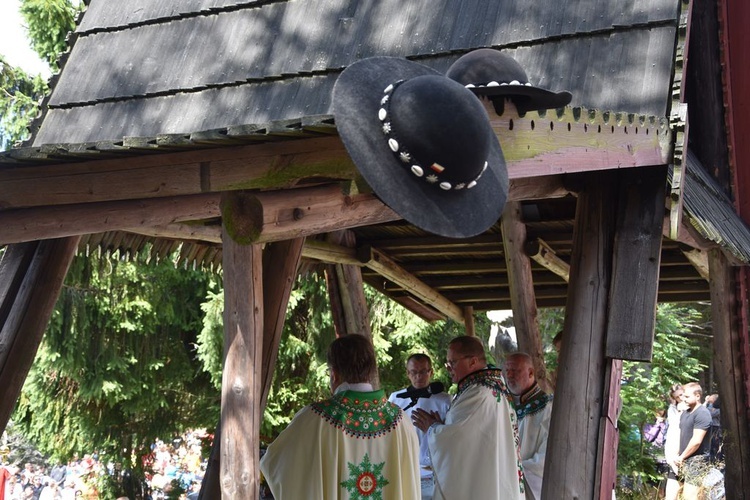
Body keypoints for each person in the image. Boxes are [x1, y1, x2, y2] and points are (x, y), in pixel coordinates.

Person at [260, 334, 421, 499]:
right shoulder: (401, 421)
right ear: (371, 371)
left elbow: (275, 463)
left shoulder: (314, 419)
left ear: (334, 373)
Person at [412, 335, 524, 499]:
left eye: (453, 363)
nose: (449, 368)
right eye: (447, 363)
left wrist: (432, 428)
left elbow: (458, 439)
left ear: (472, 361)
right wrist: (443, 425)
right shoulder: (488, 385)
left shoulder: (478, 392)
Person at [388, 353, 452, 500]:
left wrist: (437, 427)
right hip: (406, 467)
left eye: (423, 371)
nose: (419, 376)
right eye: (414, 372)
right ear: (407, 373)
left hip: (434, 471)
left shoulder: (444, 400)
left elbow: (452, 435)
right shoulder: (396, 399)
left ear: (431, 372)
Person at [503, 352, 553, 500]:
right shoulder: (504, 406)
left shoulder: (548, 409)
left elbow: (545, 461)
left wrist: (509, 471)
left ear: (531, 372)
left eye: (515, 370)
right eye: (507, 371)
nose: (510, 375)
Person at [668, 382, 712, 500]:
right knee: (670, 496)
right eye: (682, 396)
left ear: (697, 396)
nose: (683, 399)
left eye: (686, 396)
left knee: (690, 497)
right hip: (680, 460)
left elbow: (696, 441)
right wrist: (675, 456)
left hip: (696, 462)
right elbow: (681, 436)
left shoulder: (703, 413)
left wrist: (681, 457)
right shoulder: (685, 413)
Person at [664, 383, 685, 500]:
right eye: (678, 397)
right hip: (675, 451)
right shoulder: (673, 410)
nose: (681, 398)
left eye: (682, 395)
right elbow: (673, 432)